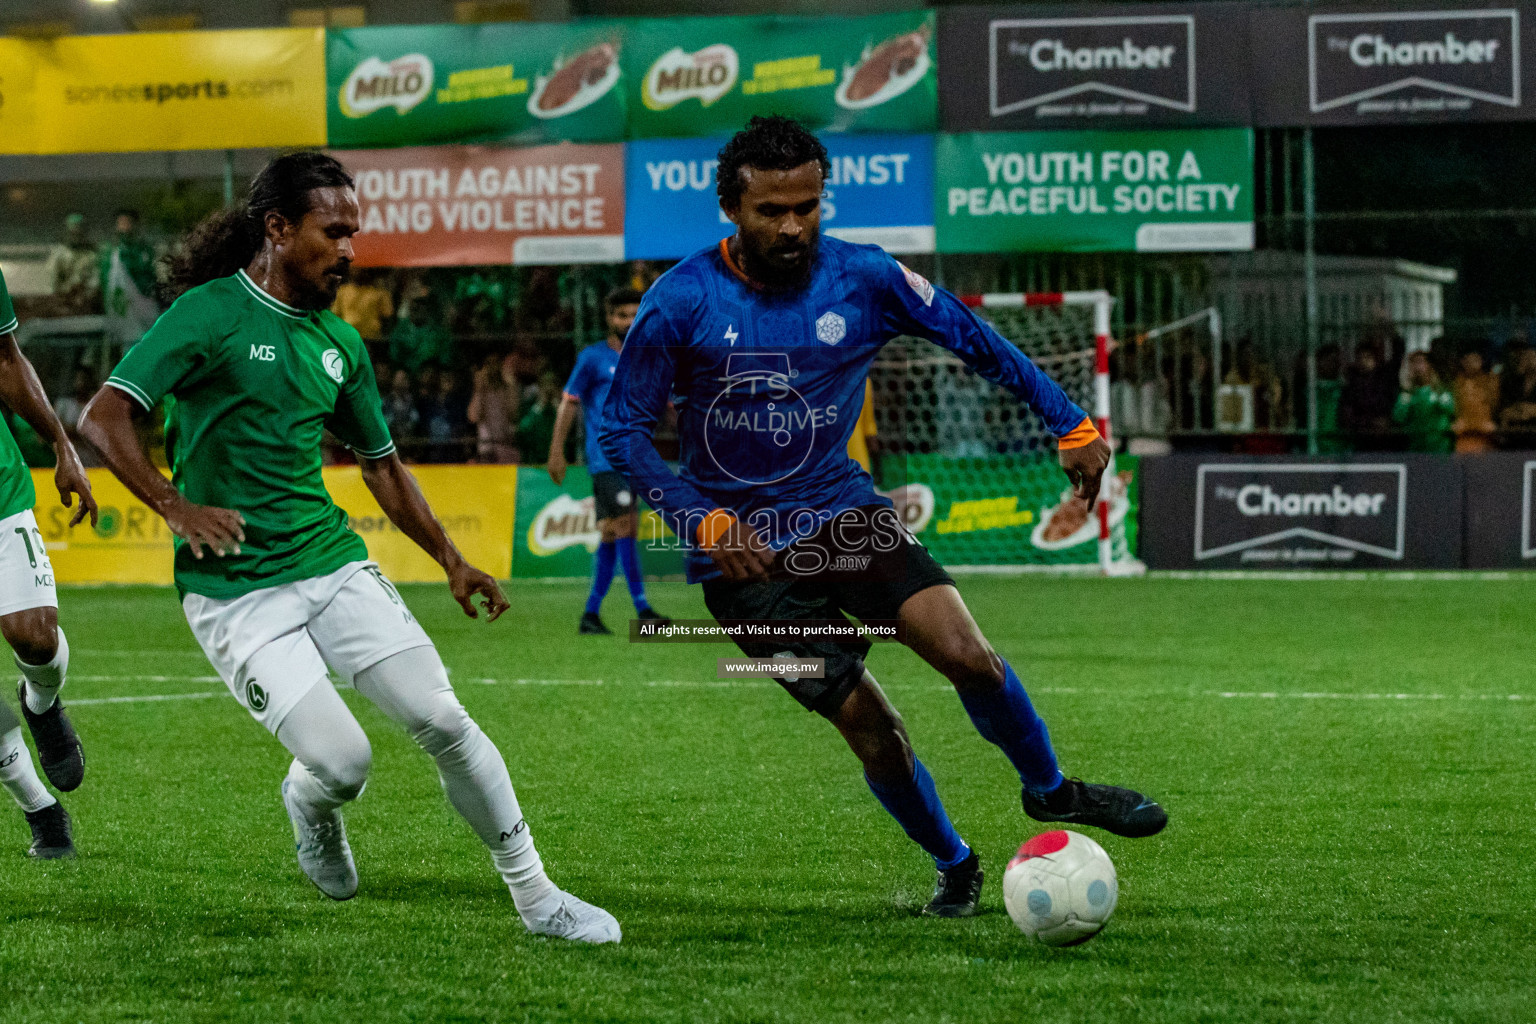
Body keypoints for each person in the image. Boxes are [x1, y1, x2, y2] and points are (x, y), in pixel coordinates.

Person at [601, 116, 1166, 919]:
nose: (792, 225)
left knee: (969, 655)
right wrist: (701, 521)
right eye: (771, 211)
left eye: (806, 206)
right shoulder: (681, 301)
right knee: (873, 727)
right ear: (732, 206)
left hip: (845, 516)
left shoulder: (864, 278)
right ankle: (955, 862)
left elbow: (972, 337)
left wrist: (1069, 419)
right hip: (743, 565)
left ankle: (1051, 791)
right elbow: (619, 431)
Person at [77, 152, 619, 943]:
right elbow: (104, 416)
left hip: (331, 563)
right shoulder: (209, 312)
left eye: (353, 233)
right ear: (277, 228)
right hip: (235, 592)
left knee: (443, 718)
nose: (349, 250)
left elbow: (384, 467)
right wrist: (173, 503)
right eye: (333, 232)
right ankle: (311, 804)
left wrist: (451, 559)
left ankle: (539, 899)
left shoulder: (340, 342)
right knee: (344, 764)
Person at [0, 265, 99, 859]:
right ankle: (43, 811)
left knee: (35, 637)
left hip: (0, 493)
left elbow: (7, 360)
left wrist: (62, 445)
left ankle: (41, 701)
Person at [548, 287, 668, 635]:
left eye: (634, 315)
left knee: (612, 532)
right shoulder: (592, 358)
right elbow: (569, 402)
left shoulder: (646, 356)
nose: (628, 322)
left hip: (636, 458)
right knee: (625, 526)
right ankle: (642, 610)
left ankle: (591, 614)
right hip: (606, 458)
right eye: (621, 315)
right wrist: (557, 451)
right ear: (608, 318)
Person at [100, 208, 159, 330]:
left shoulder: (145, 250)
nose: (124, 227)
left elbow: (151, 276)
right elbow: (104, 279)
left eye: (128, 222)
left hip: (143, 308)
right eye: (121, 223)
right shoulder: (109, 252)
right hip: (119, 308)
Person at [1392, 351, 1455, 453]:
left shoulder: (1440, 390)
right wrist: (1406, 391)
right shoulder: (1408, 393)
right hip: (1416, 449)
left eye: (1420, 362)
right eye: (1413, 363)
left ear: (1429, 365)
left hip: (1439, 449)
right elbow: (1398, 417)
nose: (1417, 367)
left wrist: (1437, 392)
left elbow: (1450, 409)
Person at [45, 214, 102, 316]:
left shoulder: (92, 255)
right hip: (64, 303)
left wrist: (86, 294)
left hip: (86, 303)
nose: (76, 233)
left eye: (79, 230)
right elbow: (51, 281)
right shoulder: (59, 254)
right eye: (73, 231)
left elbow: (95, 279)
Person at [468, 354, 520, 464]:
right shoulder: (481, 391)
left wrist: (510, 384)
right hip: (486, 449)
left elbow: (514, 413)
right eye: (489, 364)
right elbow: (474, 417)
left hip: (506, 446)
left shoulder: (506, 389)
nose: (493, 368)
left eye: (495, 363)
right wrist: (479, 389)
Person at [1451, 348, 1500, 454]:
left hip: (1485, 437)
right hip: (1463, 437)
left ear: (1481, 361)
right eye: (1467, 360)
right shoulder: (1457, 383)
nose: (1471, 363)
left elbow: (1495, 406)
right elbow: (1454, 408)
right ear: (1462, 362)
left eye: (1475, 360)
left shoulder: (1490, 381)